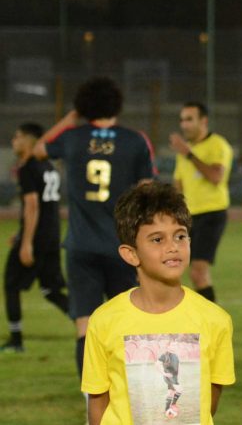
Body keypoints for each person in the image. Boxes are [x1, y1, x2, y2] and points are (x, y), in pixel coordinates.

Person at [82, 181, 235, 425]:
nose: (173, 247)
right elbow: (97, 405)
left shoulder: (216, 320)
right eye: (157, 239)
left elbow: (209, 403)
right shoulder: (104, 320)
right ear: (131, 254)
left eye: (180, 236)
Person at [32, 76, 156, 377]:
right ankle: (129, 390)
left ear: (83, 106)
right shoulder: (135, 140)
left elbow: (37, 149)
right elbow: (147, 193)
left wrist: (71, 117)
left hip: (81, 246)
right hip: (123, 247)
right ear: (118, 104)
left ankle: (92, 398)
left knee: (85, 325)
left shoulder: (72, 138)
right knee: (128, 323)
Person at [2, 123, 69, 352]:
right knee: (51, 290)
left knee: (11, 284)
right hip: (52, 235)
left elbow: (32, 206)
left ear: (29, 140)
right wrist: (22, 232)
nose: (14, 141)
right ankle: (90, 326)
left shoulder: (28, 167)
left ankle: (16, 340)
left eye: (17, 136)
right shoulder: (48, 166)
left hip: (37, 238)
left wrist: (26, 242)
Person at [169, 102, 233, 302]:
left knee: (198, 271)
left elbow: (215, 176)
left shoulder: (217, 144)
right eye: (182, 120)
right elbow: (178, 186)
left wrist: (189, 154)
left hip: (212, 213)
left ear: (203, 121)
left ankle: (211, 317)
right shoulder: (185, 152)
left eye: (189, 119)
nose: (184, 125)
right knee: (177, 271)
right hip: (188, 217)